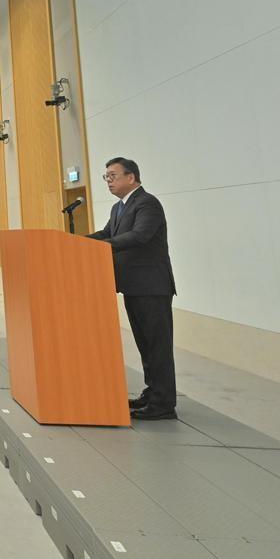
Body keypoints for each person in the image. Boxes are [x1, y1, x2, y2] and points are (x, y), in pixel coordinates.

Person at [88, 158, 178, 420]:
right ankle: (152, 394)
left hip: (152, 287)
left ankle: (163, 404)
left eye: (113, 175)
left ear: (132, 177)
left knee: (158, 345)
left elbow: (139, 236)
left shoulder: (147, 203)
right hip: (133, 286)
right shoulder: (119, 208)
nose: (109, 181)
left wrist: (102, 246)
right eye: (106, 177)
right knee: (145, 344)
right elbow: (106, 233)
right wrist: (77, 243)